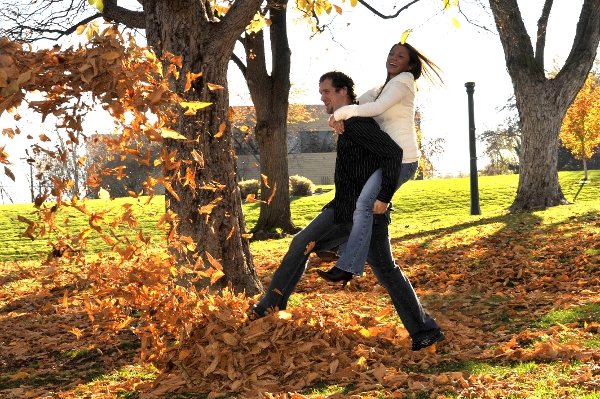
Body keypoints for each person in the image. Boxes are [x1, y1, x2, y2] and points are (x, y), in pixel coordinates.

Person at [250, 71, 445, 351]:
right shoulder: (348, 121)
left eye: (327, 91)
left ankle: (269, 308)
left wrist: (385, 195)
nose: (322, 97)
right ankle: (425, 331)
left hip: (351, 211)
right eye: (321, 92)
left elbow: (393, 153)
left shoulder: (355, 122)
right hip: (358, 210)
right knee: (386, 270)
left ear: (343, 92)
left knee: (301, 243)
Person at [317, 42, 443, 283]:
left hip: (402, 159)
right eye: (391, 53)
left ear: (409, 63)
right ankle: (342, 252)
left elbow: (376, 108)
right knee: (362, 205)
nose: (393, 58)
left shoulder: (404, 81)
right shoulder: (385, 86)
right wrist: (337, 116)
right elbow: (356, 105)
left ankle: (347, 264)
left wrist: (340, 115)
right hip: (387, 159)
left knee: (365, 203)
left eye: (400, 55)